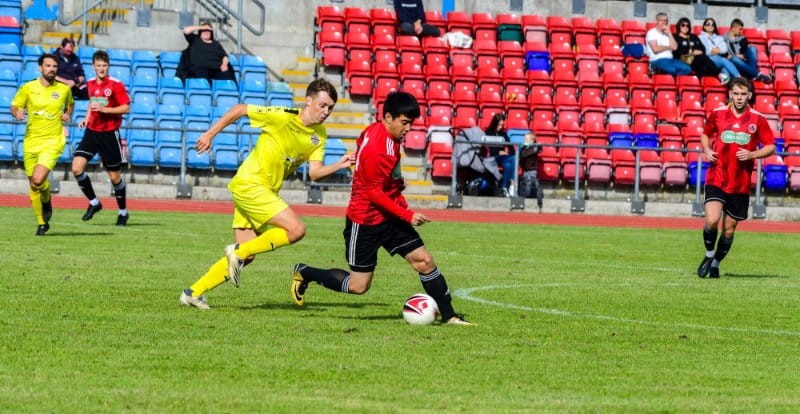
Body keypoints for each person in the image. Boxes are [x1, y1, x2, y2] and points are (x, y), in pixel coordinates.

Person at [289, 92, 472, 325]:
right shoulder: (379, 148)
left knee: (424, 261)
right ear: (388, 118)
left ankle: (449, 316)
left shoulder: (379, 132)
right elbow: (374, 193)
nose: (408, 128)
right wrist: (407, 214)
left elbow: (373, 166)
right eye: (404, 123)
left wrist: (394, 182)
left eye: (411, 123)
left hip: (388, 215)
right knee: (358, 286)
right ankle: (305, 272)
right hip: (364, 220)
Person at [179, 79, 354, 309]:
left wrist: (339, 165)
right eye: (322, 105)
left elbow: (315, 173)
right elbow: (240, 109)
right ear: (308, 101)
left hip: (260, 190)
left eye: (330, 108)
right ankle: (237, 251)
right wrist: (210, 134)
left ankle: (192, 293)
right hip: (251, 184)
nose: (326, 111)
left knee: (247, 256)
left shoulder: (318, 135)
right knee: (296, 229)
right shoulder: (283, 116)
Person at [697, 77, 775, 278]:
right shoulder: (717, 114)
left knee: (729, 230)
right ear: (730, 94)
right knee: (712, 220)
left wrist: (752, 154)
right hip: (717, 176)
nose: (739, 98)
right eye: (736, 94)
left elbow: (771, 146)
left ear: (749, 95)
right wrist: (706, 149)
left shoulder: (758, 119)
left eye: (743, 94)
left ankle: (716, 263)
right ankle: (708, 255)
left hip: (740, 183)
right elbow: (705, 134)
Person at [10, 53, 74, 235]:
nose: (52, 69)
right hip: (31, 141)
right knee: (33, 184)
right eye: (48, 66)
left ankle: (46, 200)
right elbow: (14, 105)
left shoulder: (64, 89)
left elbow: (70, 105)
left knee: (38, 179)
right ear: (40, 68)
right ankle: (41, 223)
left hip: (53, 141)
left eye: (54, 66)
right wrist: (16, 112)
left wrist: (67, 114)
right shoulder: (28, 88)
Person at [72, 50, 132, 226]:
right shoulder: (90, 83)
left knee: (114, 178)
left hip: (109, 134)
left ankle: (123, 212)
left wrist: (106, 110)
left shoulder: (116, 85)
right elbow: (92, 104)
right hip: (91, 132)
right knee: (77, 168)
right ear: (93, 66)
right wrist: (86, 118)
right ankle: (94, 202)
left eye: (104, 65)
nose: (101, 68)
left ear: (108, 66)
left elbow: (126, 108)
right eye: (98, 65)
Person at [724, 19, 773, 83]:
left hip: (743, 63)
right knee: (734, 59)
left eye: (742, 29)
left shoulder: (742, 38)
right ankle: (758, 75)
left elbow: (744, 53)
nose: (741, 32)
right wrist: (736, 56)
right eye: (740, 29)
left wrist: (749, 48)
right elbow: (724, 56)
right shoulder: (723, 39)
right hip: (732, 64)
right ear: (733, 28)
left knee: (752, 48)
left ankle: (753, 74)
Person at [698, 17, 740, 84]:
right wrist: (718, 50)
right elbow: (706, 51)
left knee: (725, 66)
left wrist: (713, 50)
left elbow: (724, 49)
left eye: (712, 24)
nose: (710, 26)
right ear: (704, 27)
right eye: (708, 24)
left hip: (718, 59)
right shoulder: (700, 38)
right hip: (708, 60)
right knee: (724, 60)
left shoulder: (719, 37)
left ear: (714, 27)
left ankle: (726, 80)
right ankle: (739, 78)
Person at [483, 114, 516, 197]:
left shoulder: (503, 134)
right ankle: (508, 186)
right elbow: (488, 150)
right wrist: (498, 152)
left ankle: (506, 187)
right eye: (499, 125)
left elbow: (512, 149)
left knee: (511, 162)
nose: (500, 127)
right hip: (491, 158)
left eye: (502, 125)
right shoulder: (488, 133)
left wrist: (506, 153)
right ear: (494, 123)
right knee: (510, 163)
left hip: (502, 158)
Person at [518, 133, 544, 212]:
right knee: (525, 184)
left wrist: (538, 145)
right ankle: (525, 197)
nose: (524, 140)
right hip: (525, 170)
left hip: (532, 169)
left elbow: (539, 150)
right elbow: (521, 156)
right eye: (524, 139)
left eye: (526, 139)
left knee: (530, 183)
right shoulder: (523, 147)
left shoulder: (534, 147)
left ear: (532, 141)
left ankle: (536, 196)